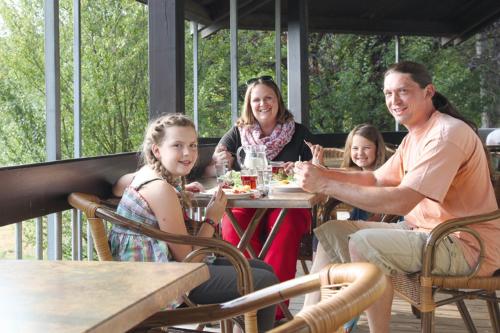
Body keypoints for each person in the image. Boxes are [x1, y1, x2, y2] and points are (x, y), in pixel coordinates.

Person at [296, 61, 500, 333]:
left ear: (429, 92)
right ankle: (311, 324)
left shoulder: (446, 134)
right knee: (331, 232)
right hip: (425, 232)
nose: (394, 100)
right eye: (388, 93)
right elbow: (377, 178)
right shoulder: (415, 134)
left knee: (363, 243)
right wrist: (327, 175)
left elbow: (401, 201)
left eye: (403, 91)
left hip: (465, 245)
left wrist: (326, 185)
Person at [109, 113, 278, 332]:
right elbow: (189, 260)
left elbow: (117, 186)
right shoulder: (160, 189)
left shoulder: (146, 174)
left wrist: (178, 191)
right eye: (177, 145)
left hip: (158, 269)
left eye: (193, 145)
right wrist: (211, 218)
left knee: (262, 268)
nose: (188, 153)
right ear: (157, 151)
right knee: (264, 282)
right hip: (160, 282)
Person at [212, 75, 314, 318]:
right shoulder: (238, 132)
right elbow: (214, 163)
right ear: (249, 104)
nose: (262, 104)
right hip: (248, 199)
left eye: (268, 98)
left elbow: (316, 166)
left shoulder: (298, 132)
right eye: (256, 99)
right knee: (231, 225)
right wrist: (219, 161)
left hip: (287, 202)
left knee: (285, 226)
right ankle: (248, 302)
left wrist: (302, 168)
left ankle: (273, 311)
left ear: (278, 101)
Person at [309, 123, 388, 333]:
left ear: (377, 150)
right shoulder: (354, 172)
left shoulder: (383, 174)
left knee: (328, 241)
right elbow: (329, 186)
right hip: (358, 232)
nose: (359, 153)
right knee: (324, 236)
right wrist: (318, 168)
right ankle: (317, 315)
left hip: (377, 235)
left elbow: (383, 213)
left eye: (366, 148)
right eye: (355, 149)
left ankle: (321, 317)